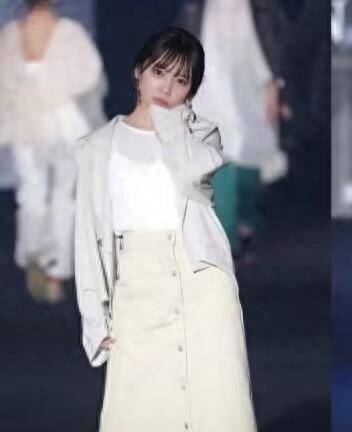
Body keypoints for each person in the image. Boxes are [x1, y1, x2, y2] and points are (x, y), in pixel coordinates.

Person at [73, 27, 255, 431]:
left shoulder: (200, 137)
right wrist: (94, 319)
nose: (167, 87)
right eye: (159, 71)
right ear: (138, 71)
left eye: (181, 80)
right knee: (139, 409)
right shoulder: (96, 147)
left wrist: (171, 121)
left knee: (215, 406)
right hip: (137, 286)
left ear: (192, 91)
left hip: (201, 280)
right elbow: (87, 239)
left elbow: (190, 174)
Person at [0, 0, 105, 302]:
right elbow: (89, 74)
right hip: (64, 123)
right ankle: (55, 271)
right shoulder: (70, 32)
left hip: (24, 122)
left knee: (30, 194)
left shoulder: (10, 34)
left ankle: (33, 258)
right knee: (63, 196)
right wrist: (57, 89)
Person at [178, 0, 289, 259]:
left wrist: (277, 87)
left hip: (251, 90)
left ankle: (246, 219)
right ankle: (226, 240)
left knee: (251, 163)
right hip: (208, 92)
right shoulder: (195, 8)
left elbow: (280, 46)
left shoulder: (263, 9)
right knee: (220, 160)